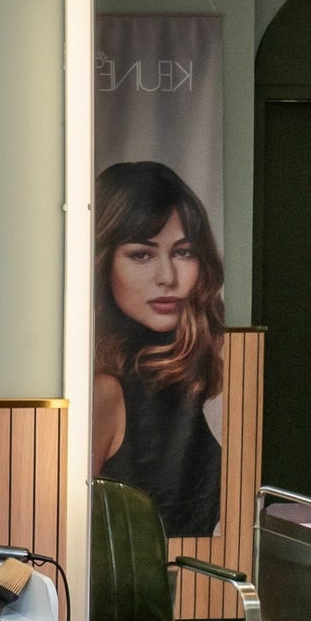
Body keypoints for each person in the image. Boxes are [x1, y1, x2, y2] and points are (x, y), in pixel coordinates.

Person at [90, 160, 224, 538]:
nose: (167, 277)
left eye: (183, 253)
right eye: (142, 255)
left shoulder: (176, 379)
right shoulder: (104, 390)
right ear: (103, 263)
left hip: (190, 590)